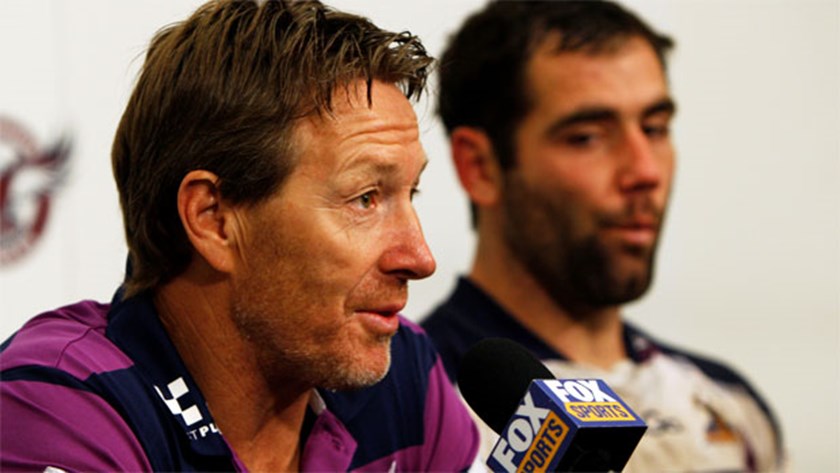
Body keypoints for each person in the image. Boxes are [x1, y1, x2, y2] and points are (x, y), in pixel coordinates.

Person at [0, 1, 479, 471]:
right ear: (214, 219)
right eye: (365, 198)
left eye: (410, 192)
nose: (419, 257)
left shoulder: (403, 378)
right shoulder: (61, 402)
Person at [421, 1, 784, 471]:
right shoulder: (410, 403)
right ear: (480, 167)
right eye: (588, 136)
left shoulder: (730, 401)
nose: (645, 170)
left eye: (655, 128)